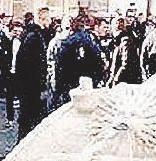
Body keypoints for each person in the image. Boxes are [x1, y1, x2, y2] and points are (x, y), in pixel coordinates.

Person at [52, 15, 103, 108]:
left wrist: (58, 86)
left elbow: (60, 65)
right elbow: (98, 60)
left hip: (69, 82)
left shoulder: (67, 42)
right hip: (87, 82)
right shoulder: (90, 40)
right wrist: (97, 79)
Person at [14, 10, 49, 140]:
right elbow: (38, 65)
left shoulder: (30, 36)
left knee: (26, 119)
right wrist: (41, 86)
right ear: (43, 19)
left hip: (27, 86)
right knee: (31, 120)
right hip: (31, 87)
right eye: (48, 19)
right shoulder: (35, 37)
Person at [108, 16, 143, 84]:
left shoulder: (125, 41)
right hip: (125, 80)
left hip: (125, 82)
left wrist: (115, 80)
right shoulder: (118, 41)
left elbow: (125, 64)